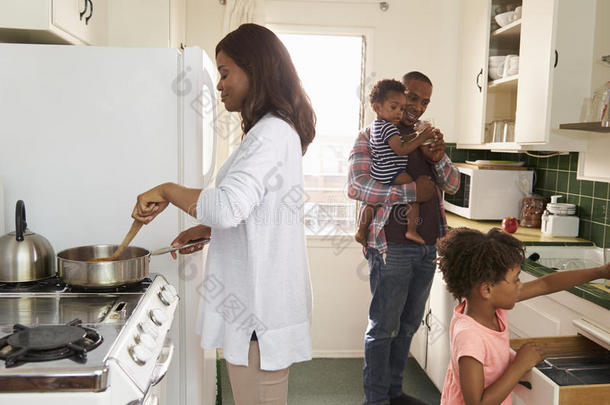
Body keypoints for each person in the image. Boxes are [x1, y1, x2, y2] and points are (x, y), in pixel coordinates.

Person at [131, 23, 316, 405]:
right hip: (259, 304)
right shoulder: (273, 131)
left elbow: (229, 206)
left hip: (258, 310)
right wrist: (209, 230)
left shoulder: (270, 133)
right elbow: (257, 211)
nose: (219, 85)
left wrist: (167, 190)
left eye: (225, 73)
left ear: (256, 71)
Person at [347, 71, 460, 405]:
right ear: (397, 96)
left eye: (424, 101)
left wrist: (439, 159)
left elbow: (452, 185)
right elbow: (356, 186)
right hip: (391, 246)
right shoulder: (370, 136)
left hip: (428, 247)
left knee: (409, 324)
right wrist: (410, 190)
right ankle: (376, 399)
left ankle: (394, 393)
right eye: (412, 98)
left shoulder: (426, 138)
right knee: (384, 327)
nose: (417, 107)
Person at [437, 227, 610, 405]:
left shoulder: (489, 306)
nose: (520, 285)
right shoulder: (470, 336)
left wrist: (600, 272)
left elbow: (545, 284)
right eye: (515, 280)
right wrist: (519, 366)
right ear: (487, 289)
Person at [355, 79, 436, 247]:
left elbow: (398, 141)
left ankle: (361, 231)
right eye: (394, 107)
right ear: (377, 107)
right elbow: (400, 149)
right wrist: (422, 137)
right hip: (392, 170)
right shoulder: (390, 127)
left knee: (372, 203)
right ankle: (411, 230)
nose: (399, 112)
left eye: (401, 108)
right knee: (413, 195)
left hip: (379, 171)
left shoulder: (378, 126)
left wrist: (418, 138)